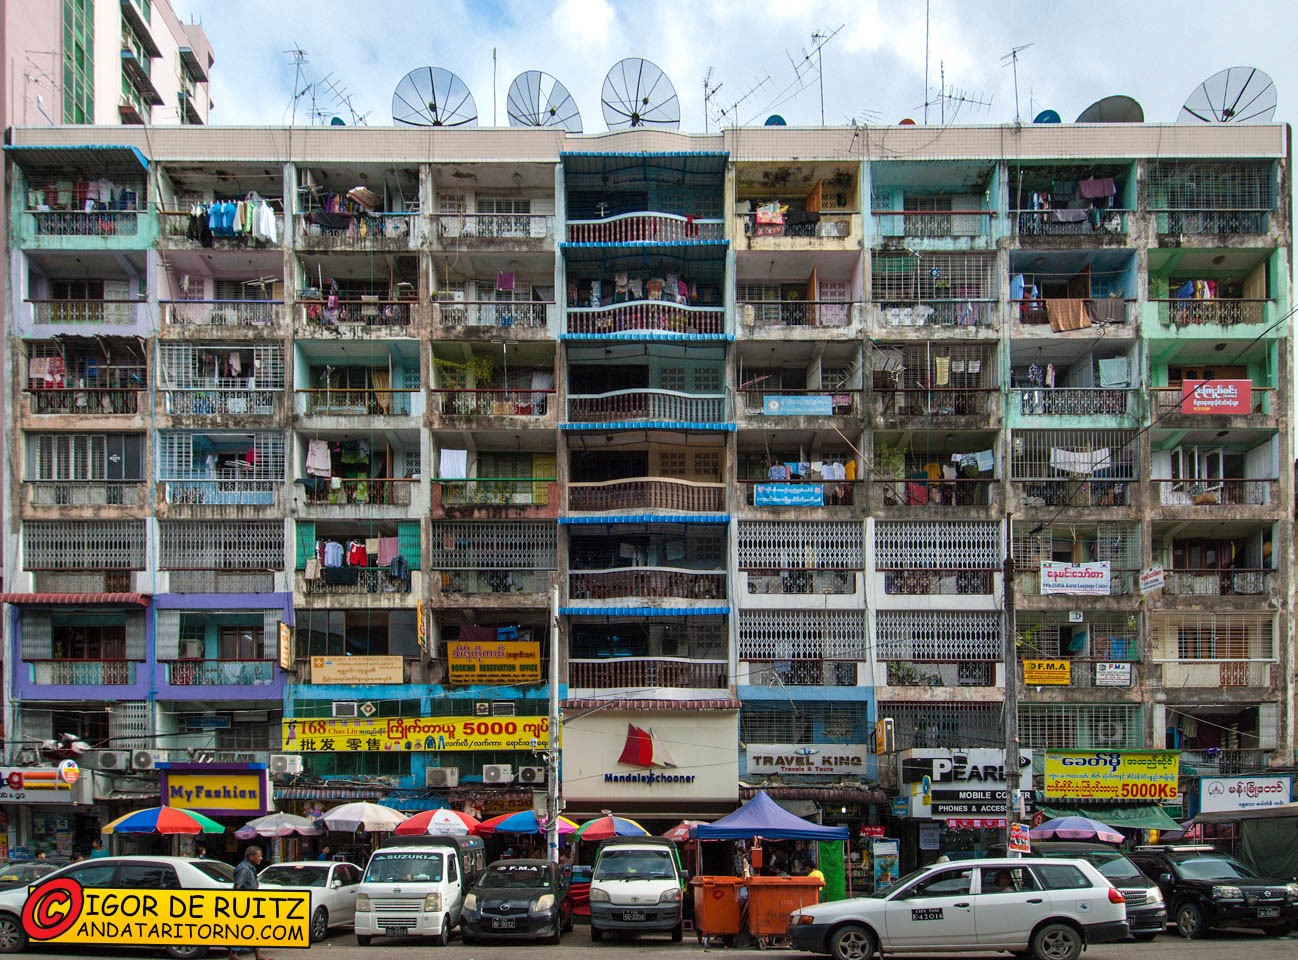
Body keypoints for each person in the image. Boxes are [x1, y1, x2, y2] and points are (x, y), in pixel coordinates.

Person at [230, 847, 273, 960]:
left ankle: (257, 955)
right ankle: (233, 954)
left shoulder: (250, 868)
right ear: (250, 857)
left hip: (251, 902)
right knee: (243, 929)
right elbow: (238, 886)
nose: (261, 858)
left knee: (254, 928)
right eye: (258, 856)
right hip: (245, 903)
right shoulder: (244, 869)